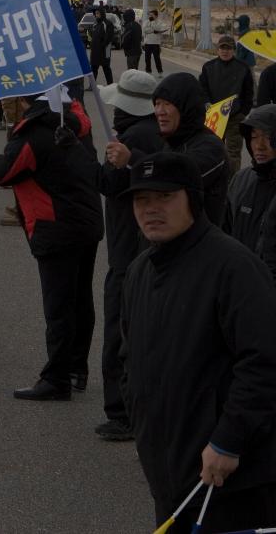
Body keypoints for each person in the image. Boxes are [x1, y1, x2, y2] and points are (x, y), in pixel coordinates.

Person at [120, 151, 276, 531]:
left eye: (165, 197)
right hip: (168, 471)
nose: (151, 209)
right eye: (142, 199)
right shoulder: (140, 270)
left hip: (231, 477)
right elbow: (131, 355)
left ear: (192, 198)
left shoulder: (233, 266)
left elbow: (265, 361)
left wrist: (229, 440)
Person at [0, 90, 103, 401]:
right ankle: (76, 368)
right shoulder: (75, 119)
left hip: (55, 226)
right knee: (79, 300)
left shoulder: (35, 133)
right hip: (86, 221)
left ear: (23, 99)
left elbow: (1, 172)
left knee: (59, 308)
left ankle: (57, 379)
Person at [93, 69, 162, 441]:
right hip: (147, 249)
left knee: (119, 331)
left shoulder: (132, 140)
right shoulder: (156, 135)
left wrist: (92, 160)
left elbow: (108, 183)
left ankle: (121, 413)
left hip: (126, 250)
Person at [105, 72, 231, 226]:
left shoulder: (211, 147)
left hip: (198, 246)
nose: (159, 111)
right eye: (157, 104)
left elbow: (180, 176)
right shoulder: (171, 141)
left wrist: (131, 159)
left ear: (186, 107)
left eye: (167, 104)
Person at [224, 104, 276, 266]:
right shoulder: (241, 180)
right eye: (253, 137)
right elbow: (225, 231)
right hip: (241, 280)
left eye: (267, 137)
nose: (259, 146)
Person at [199, 35, 254, 175]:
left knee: (233, 153)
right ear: (217, 50)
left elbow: (249, 93)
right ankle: (213, 179)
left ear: (233, 50)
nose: (225, 51)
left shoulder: (243, 68)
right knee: (212, 151)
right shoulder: (208, 67)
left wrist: (243, 112)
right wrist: (206, 104)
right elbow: (202, 90)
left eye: (228, 48)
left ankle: (233, 183)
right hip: (215, 117)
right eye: (222, 48)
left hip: (235, 118)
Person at [89, 6, 115, 85]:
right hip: (95, 50)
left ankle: (110, 84)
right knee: (93, 68)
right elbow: (92, 35)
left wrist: (102, 45)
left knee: (106, 67)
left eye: (97, 13)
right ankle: (92, 85)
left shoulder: (108, 23)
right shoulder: (95, 24)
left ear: (102, 14)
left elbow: (109, 38)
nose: (96, 15)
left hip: (105, 50)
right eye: (95, 14)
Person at [143, 9, 168, 74]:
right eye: (149, 15)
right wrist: (154, 31)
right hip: (148, 43)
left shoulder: (159, 22)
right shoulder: (146, 22)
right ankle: (148, 71)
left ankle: (160, 71)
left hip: (156, 43)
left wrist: (154, 27)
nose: (150, 16)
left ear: (156, 16)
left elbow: (163, 28)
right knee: (147, 59)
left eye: (152, 15)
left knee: (157, 59)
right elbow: (145, 30)